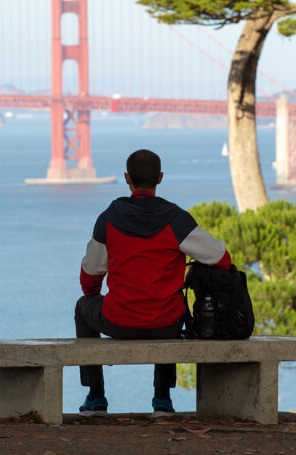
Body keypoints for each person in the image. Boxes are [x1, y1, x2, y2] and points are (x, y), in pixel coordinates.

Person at [75, 148, 232, 416]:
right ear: (160, 178)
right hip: (165, 323)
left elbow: (89, 279)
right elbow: (222, 259)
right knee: (172, 308)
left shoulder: (109, 218)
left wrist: (96, 296)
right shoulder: (176, 220)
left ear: (127, 178)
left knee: (82, 306)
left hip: (118, 321)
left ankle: (96, 396)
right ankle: (162, 399)